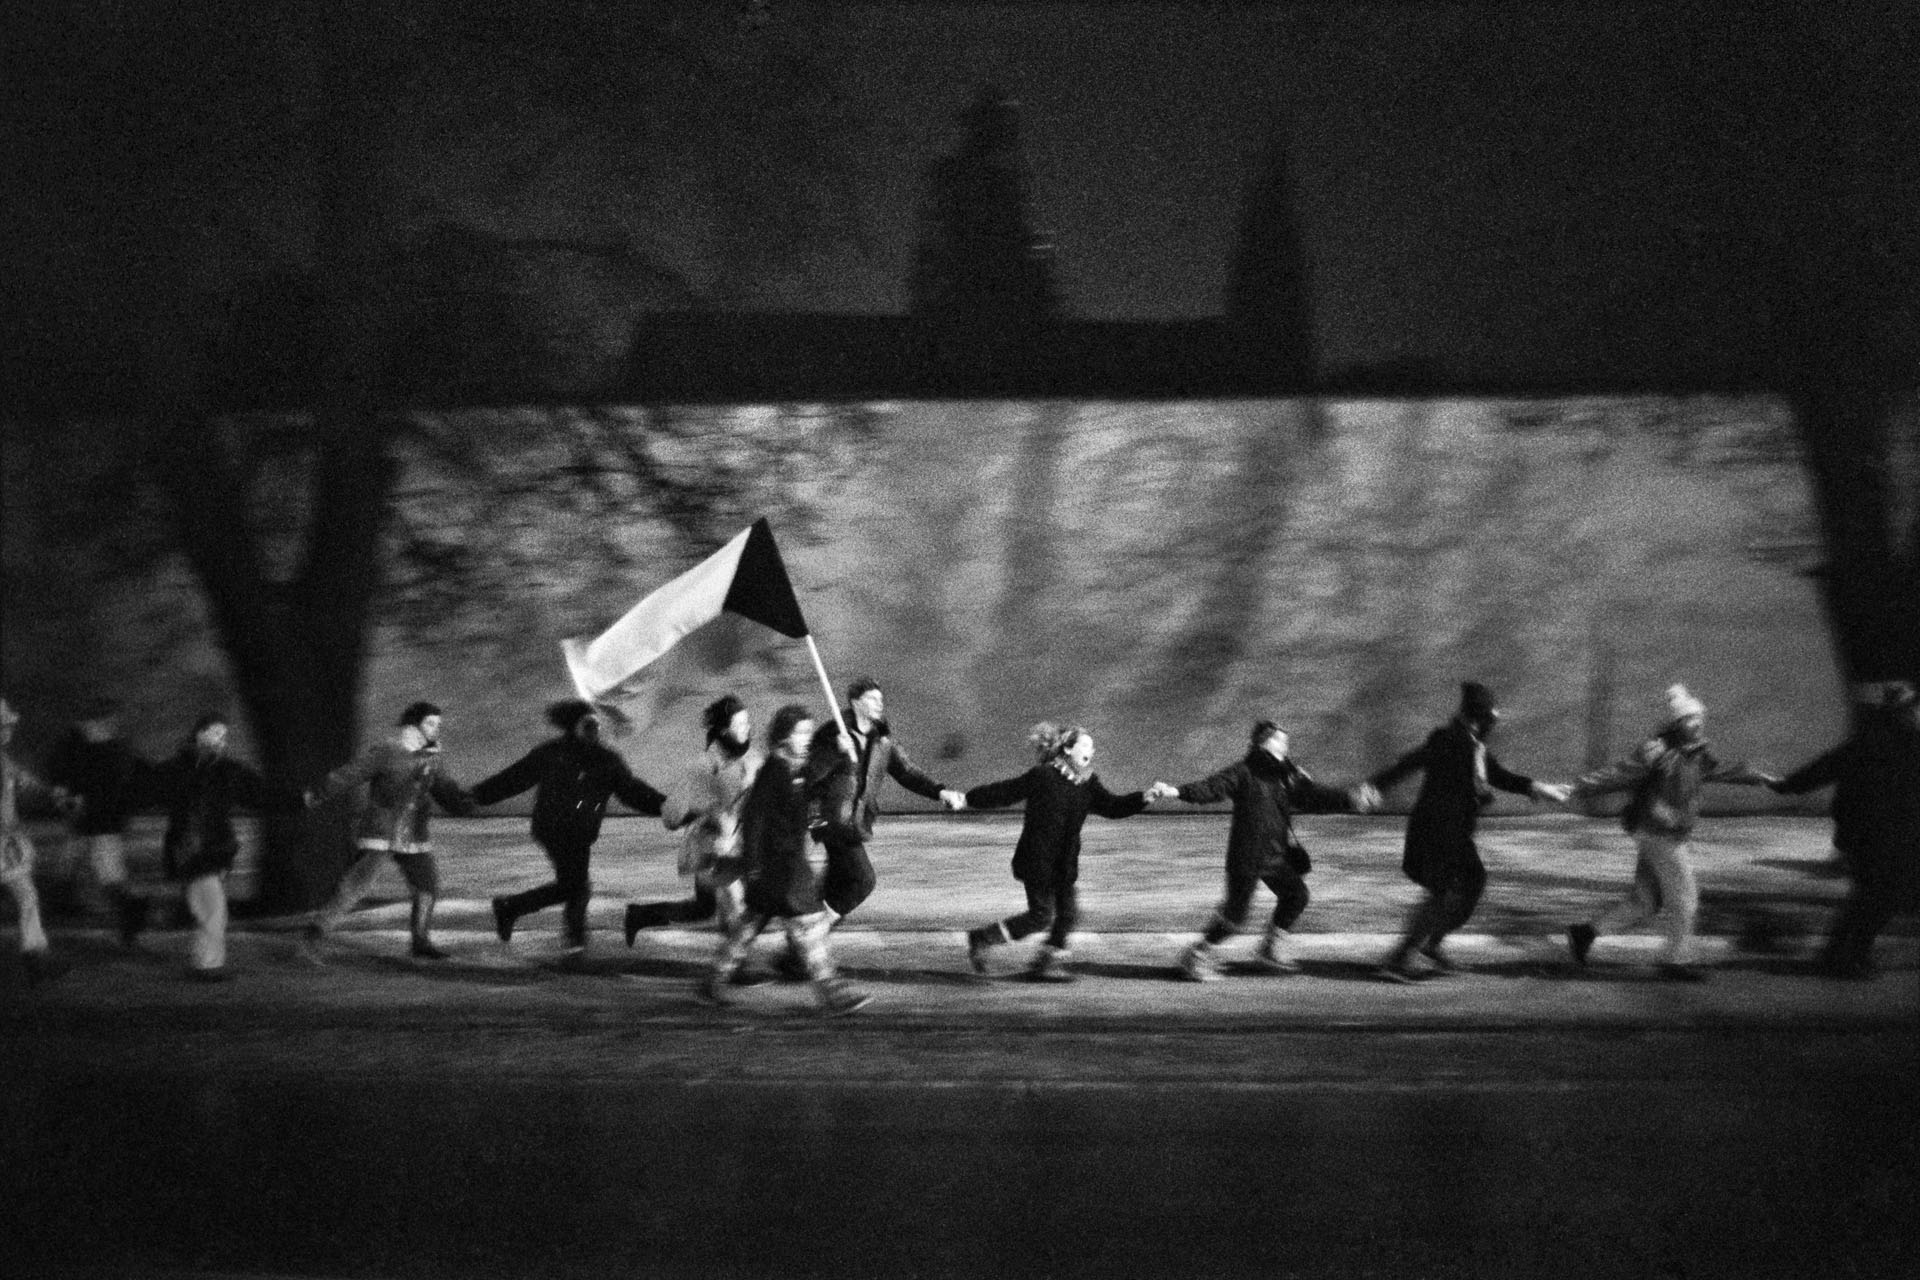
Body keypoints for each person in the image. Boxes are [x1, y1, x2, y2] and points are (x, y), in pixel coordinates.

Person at [1566, 684, 1777, 980]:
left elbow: (1724, 770)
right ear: (1678, 723)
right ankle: (1675, 962)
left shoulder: (1699, 753)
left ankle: (1584, 934)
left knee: (1646, 901)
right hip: (1657, 833)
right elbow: (1620, 773)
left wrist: (1759, 778)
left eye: (1699, 717)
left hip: (1666, 833)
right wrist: (1577, 788)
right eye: (1690, 719)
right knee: (1685, 897)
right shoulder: (1658, 750)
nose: (1697, 723)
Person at [1366, 682, 1569, 983]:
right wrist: (1374, 787)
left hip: (1456, 834)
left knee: (1473, 882)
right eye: (1490, 719)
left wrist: (1537, 788)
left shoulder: (1474, 745)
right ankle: (1398, 959)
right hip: (1434, 834)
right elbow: (1410, 762)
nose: (1492, 726)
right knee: (1444, 893)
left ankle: (1431, 946)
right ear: (1478, 719)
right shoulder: (1447, 740)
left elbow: (1499, 776)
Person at [1149, 720, 1368, 982]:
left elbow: (1315, 796)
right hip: (1247, 856)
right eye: (1279, 740)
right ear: (1263, 742)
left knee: (1296, 895)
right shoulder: (1244, 771)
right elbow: (1211, 788)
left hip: (1275, 855)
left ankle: (1269, 951)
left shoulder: (1289, 776)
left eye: (1285, 741)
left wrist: (1349, 798)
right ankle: (1196, 956)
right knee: (1235, 916)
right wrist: (1175, 791)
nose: (1285, 745)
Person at [700, 704, 871, 1016]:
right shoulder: (773, 773)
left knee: (749, 926)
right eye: (800, 733)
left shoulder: (795, 770)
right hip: (779, 870)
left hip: (781, 869)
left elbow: (814, 798)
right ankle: (829, 991)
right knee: (807, 928)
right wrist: (752, 865)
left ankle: (714, 979)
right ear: (783, 738)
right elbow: (754, 821)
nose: (807, 738)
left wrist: (847, 759)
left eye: (808, 731)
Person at [471, 699, 666, 963]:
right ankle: (571, 942)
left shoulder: (605, 760)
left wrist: (668, 807)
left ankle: (513, 909)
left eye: (596, 725)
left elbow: (633, 792)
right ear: (573, 727)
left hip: (580, 831)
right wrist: (477, 796)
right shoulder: (551, 754)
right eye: (587, 725)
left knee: (574, 885)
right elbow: (514, 778)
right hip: (552, 828)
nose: (594, 731)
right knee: (576, 886)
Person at [962, 722, 1154, 982]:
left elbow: (1112, 806)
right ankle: (982, 938)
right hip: (1037, 860)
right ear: (1067, 748)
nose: (1091, 750)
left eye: (1092, 746)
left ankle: (1045, 964)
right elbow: (1005, 792)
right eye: (1085, 744)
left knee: (1068, 915)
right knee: (1041, 917)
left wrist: (1143, 798)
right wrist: (968, 799)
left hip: (1063, 864)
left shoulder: (1088, 783)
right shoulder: (1044, 776)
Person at [126, 712, 306, 981]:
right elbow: (144, 790)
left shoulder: (228, 772)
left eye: (224, 736)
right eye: (216, 734)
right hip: (190, 850)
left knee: (207, 906)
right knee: (212, 907)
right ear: (199, 733)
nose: (222, 741)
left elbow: (260, 794)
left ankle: (201, 960)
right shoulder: (177, 770)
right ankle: (206, 965)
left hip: (216, 850)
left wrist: (298, 800)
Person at [1767, 680, 1919, 979]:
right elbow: (1826, 767)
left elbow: (1826, 767)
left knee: (1877, 898)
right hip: (1872, 836)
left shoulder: (1906, 745)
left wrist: (1789, 786)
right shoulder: (1874, 743)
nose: (1917, 714)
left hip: (1896, 836)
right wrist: (1786, 785)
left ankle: (1845, 954)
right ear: (1898, 713)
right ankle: (1843, 957)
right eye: (1912, 709)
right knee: (1875, 898)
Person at [304, 701, 476, 962]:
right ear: (413, 724)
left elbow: (444, 790)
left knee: (427, 885)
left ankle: (420, 941)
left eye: (438, 725)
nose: (435, 729)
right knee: (355, 887)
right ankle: (313, 937)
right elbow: (351, 774)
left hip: (413, 835)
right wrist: (318, 792)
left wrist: (467, 803)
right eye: (430, 723)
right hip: (380, 831)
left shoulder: (433, 757)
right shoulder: (388, 750)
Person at [810, 678, 967, 925]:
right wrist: (834, 752)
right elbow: (811, 775)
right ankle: (812, 933)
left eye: (880, 699)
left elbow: (907, 772)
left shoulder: (883, 741)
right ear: (855, 703)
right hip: (832, 821)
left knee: (836, 889)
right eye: (872, 699)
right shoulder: (833, 734)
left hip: (855, 821)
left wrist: (940, 792)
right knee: (863, 881)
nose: (878, 704)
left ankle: (801, 947)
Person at [623, 695, 760, 943]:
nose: (747, 728)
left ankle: (641, 914)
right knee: (738, 908)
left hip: (742, 846)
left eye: (747, 722)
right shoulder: (703, 766)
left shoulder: (753, 760)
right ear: (723, 730)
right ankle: (733, 968)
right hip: (714, 850)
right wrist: (705, 813)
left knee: (704, 908)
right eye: (740, 724)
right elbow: (671, 816)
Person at [45, 697, 149, 936]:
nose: (93, 728)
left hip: (99, 820)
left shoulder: (107, 750)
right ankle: (66, 903)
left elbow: (72, 779)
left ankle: (130, 909)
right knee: (79, 859)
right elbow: (65, 777)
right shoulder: (102, 749)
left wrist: (69, 797)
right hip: (96, 819)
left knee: (100, 867)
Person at [3, 698, 78, 986]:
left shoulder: (4, 760)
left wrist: (55, 794)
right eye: (3, 725)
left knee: (28, 896)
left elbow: (26, 781)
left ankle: (36, 957)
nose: (8, 730)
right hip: (3, 840)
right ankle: (35, 958)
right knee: (27, 896)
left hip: (5, 841)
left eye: (9, 725)